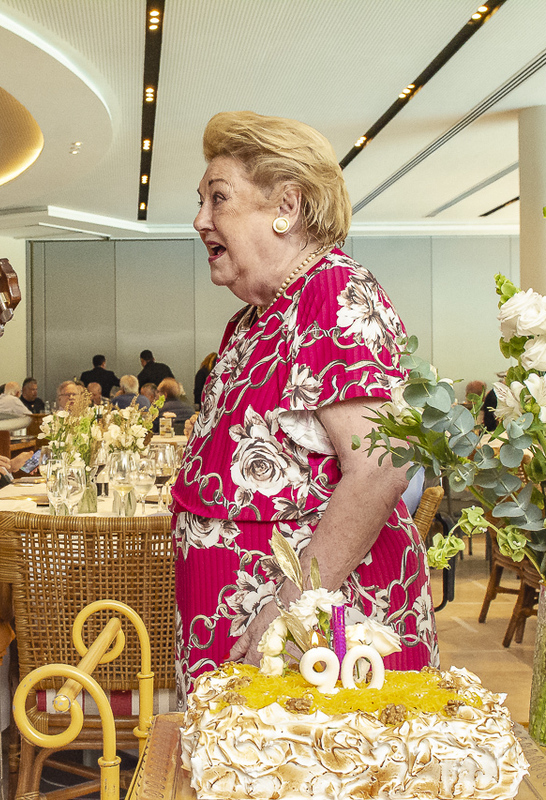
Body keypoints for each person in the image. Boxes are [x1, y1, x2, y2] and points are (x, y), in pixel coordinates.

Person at [171, 110, 437, 698]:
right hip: (256, 640)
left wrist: (294, 611)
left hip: (315, 643)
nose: (199, 220)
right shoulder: (253, 321)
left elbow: (381, 465)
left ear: (286, 206)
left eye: (218, 199)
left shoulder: (333, 291)